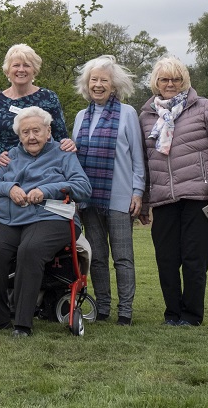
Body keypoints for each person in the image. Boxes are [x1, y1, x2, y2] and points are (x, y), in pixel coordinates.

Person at [139, 56, 208, 326]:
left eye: (176, 79)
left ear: (185, 81)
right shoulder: (146, 114)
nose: (170, 84)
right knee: (166, 260)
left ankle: (191, 316)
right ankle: (172, 314)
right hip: (163, 199)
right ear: (155, 83)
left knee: (194, 260)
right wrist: (145, 202)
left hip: (198, 196)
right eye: (164, 79)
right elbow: (143, 163)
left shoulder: (204, 107)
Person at [0, 106, 91, 336]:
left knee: (30, 248)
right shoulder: (10, 156)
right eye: (25, 132)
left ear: (48, 131)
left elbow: (83, 187)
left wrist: (47, 189)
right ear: (19, 135)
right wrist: (9, 188)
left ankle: (22, 323)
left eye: (36, 131)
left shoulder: (63, 154)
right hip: (11, 218)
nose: (31, 137)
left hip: (51, 217)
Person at [71, 55, 145, 326]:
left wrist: (138, 192)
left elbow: (138, 158)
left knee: (123, 257)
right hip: (89, 198)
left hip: (120, 197)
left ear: (114, 86)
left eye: (104, 80)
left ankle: (125, 310)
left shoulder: (128, 114)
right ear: (86, 84)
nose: (98, 85)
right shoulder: (80, 117)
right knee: (98, 256)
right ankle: (102, 307)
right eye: (94, 80)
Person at [0, 43, 76, 169]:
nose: (21, 69)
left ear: (34, 70)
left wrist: (68, 143)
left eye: (26, 65)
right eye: (16, 65)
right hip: (6, 171)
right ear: (8, 70)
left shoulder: (49, 97)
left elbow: (61, 138)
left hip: (43, 170)